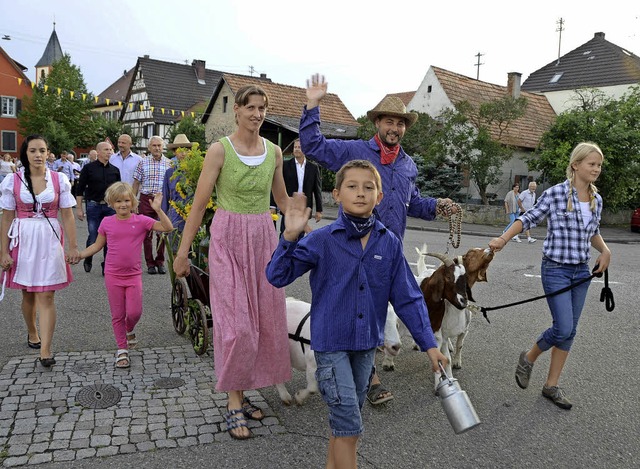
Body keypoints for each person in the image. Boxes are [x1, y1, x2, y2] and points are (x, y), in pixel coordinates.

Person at [266, 160, 448, 469]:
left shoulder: (389, 243)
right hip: (330, 345)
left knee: (345, 425)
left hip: (365, 348)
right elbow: (277, 276)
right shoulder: (321, 240)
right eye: (352, 186)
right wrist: (289, 237)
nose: (360, 193)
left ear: (379, 197)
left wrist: (429, 345)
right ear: (336, 194)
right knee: (350, 426)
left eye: (369, 187)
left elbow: (408, 298)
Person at [300, 73, 458, 406]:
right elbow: (314, 146)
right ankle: (358, 375)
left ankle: (365, 372)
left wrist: (437, 206)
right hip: (351, 247)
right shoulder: (355, 150)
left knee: (377, 311)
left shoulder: (408, 165)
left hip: (388, 249)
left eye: (400, 124)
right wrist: (312, 106)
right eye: (389, 121)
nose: (394, 128)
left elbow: (412, 202)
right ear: (378, 124)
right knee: (352, 309)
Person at [173, 84, 292, 440]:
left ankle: (244, 391)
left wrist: (313, 232)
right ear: (236, 111)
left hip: (262, 238)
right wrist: (182, 252)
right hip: (226, 238)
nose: (256, 114)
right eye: (250, 107)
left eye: (262, 108)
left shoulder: (274, 152)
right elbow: (197, 205)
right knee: (237, 324)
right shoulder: (219, 150)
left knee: (263, 321)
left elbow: (283, 201)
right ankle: (233, 402)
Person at [489, 142, 611, 410]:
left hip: (580, 270)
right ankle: (529, 357)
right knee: (563, 327)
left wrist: (604, 250)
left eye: (599, 165)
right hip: (555, 268)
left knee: (569, 332)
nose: (596, 169)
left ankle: (551, 386)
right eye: (591, 164)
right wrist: (503, 238)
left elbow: (593, 232)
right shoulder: (556, 194)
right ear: (576, 165)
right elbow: (528, 218)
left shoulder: (596, 199)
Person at [0, 135, 80, 367]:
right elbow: (6, 219)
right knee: (28, 293)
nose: (38, 155)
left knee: (46, 294)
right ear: (25, 154)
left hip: (49, 239)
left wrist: (73, 247)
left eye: (42, 150)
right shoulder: (12, 180)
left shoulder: (59, 179)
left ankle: (46, 349)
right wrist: (2, 251)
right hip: (22, 239)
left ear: (48, 153)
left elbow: (67, 214)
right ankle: (32, 331)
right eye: (33, 150)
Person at [78, 182, 172, 367]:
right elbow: (97, 245)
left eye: (127, 200)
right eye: (118, 201)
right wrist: (80, 255)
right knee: (118, 314)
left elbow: (167, 228)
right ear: (111, 203)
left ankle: (129, 329)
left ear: (133, 202)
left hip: (133, 275)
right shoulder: (107, 222)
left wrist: (158, 209)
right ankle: (122, 349)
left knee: (135, 312)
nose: (123, 204)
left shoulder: (141, 221)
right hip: (112, 275)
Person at [75, 142, 121, 274]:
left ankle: (106, 265)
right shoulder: (88, 168)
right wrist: (79, 208)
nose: (109, 152)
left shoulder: (115, 170)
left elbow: (118, 191)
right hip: (93, 206)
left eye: (111, 150)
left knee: (109, 237)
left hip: (110, 207)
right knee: (94, 235)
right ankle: (88, 257)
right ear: (98, 152)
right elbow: (80, 189)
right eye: (106, 149)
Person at [132, 136, 172, 275]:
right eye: (154, 145)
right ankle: (150, 263)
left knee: (162, 233)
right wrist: (133, 201)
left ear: (163, 147)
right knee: (146, 233)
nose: (157, 148)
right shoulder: (142, 163)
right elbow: (136, 183)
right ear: (149, 148)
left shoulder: (169, 163)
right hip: (146, 199)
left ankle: (160, 261)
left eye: (159, 145)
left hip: (162, 200)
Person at [270, 138, 323, 237]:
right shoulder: (285, 165)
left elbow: (317, 190)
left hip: (304, 206)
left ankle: (297, 252)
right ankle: (285, 251)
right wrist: (273, 206)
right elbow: (276, 185)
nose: (297, 149)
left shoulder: (313, 168)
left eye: (299, 147)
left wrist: (319, 210)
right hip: (288, 205)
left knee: (300, 235)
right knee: (285, 233)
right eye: (295, 147)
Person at [162, 134, 192, 237]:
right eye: (179, 150)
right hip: (174, 216)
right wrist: (163, 219)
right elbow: (165, 197)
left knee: (192, 250)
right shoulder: (169, 173)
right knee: (174, 249)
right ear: (174, 152)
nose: (183, 153)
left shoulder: (195, 171)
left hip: (192, 215)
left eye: (185, 150)